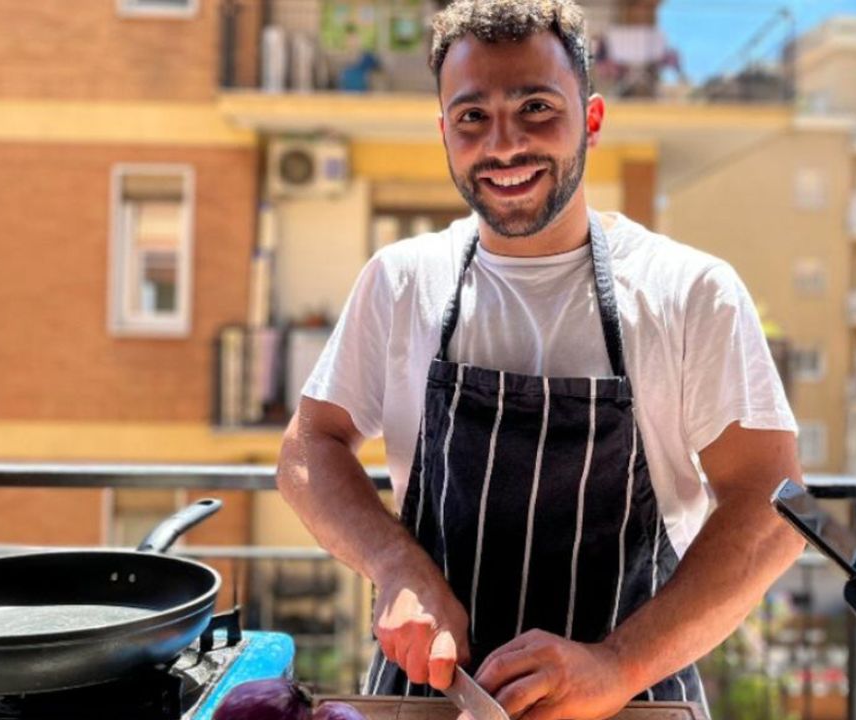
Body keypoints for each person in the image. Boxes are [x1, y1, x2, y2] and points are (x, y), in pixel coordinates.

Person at [276, 1, 806, 718]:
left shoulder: (688, 292)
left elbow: (771, 509)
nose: (504, 145)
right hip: (434, 698)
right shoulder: (402, 281)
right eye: (472, 118)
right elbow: (309, 445)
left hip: (634, 700)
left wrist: (616, 665)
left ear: (590, 119)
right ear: (443, 132)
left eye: (535, 108)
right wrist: (394, 564)